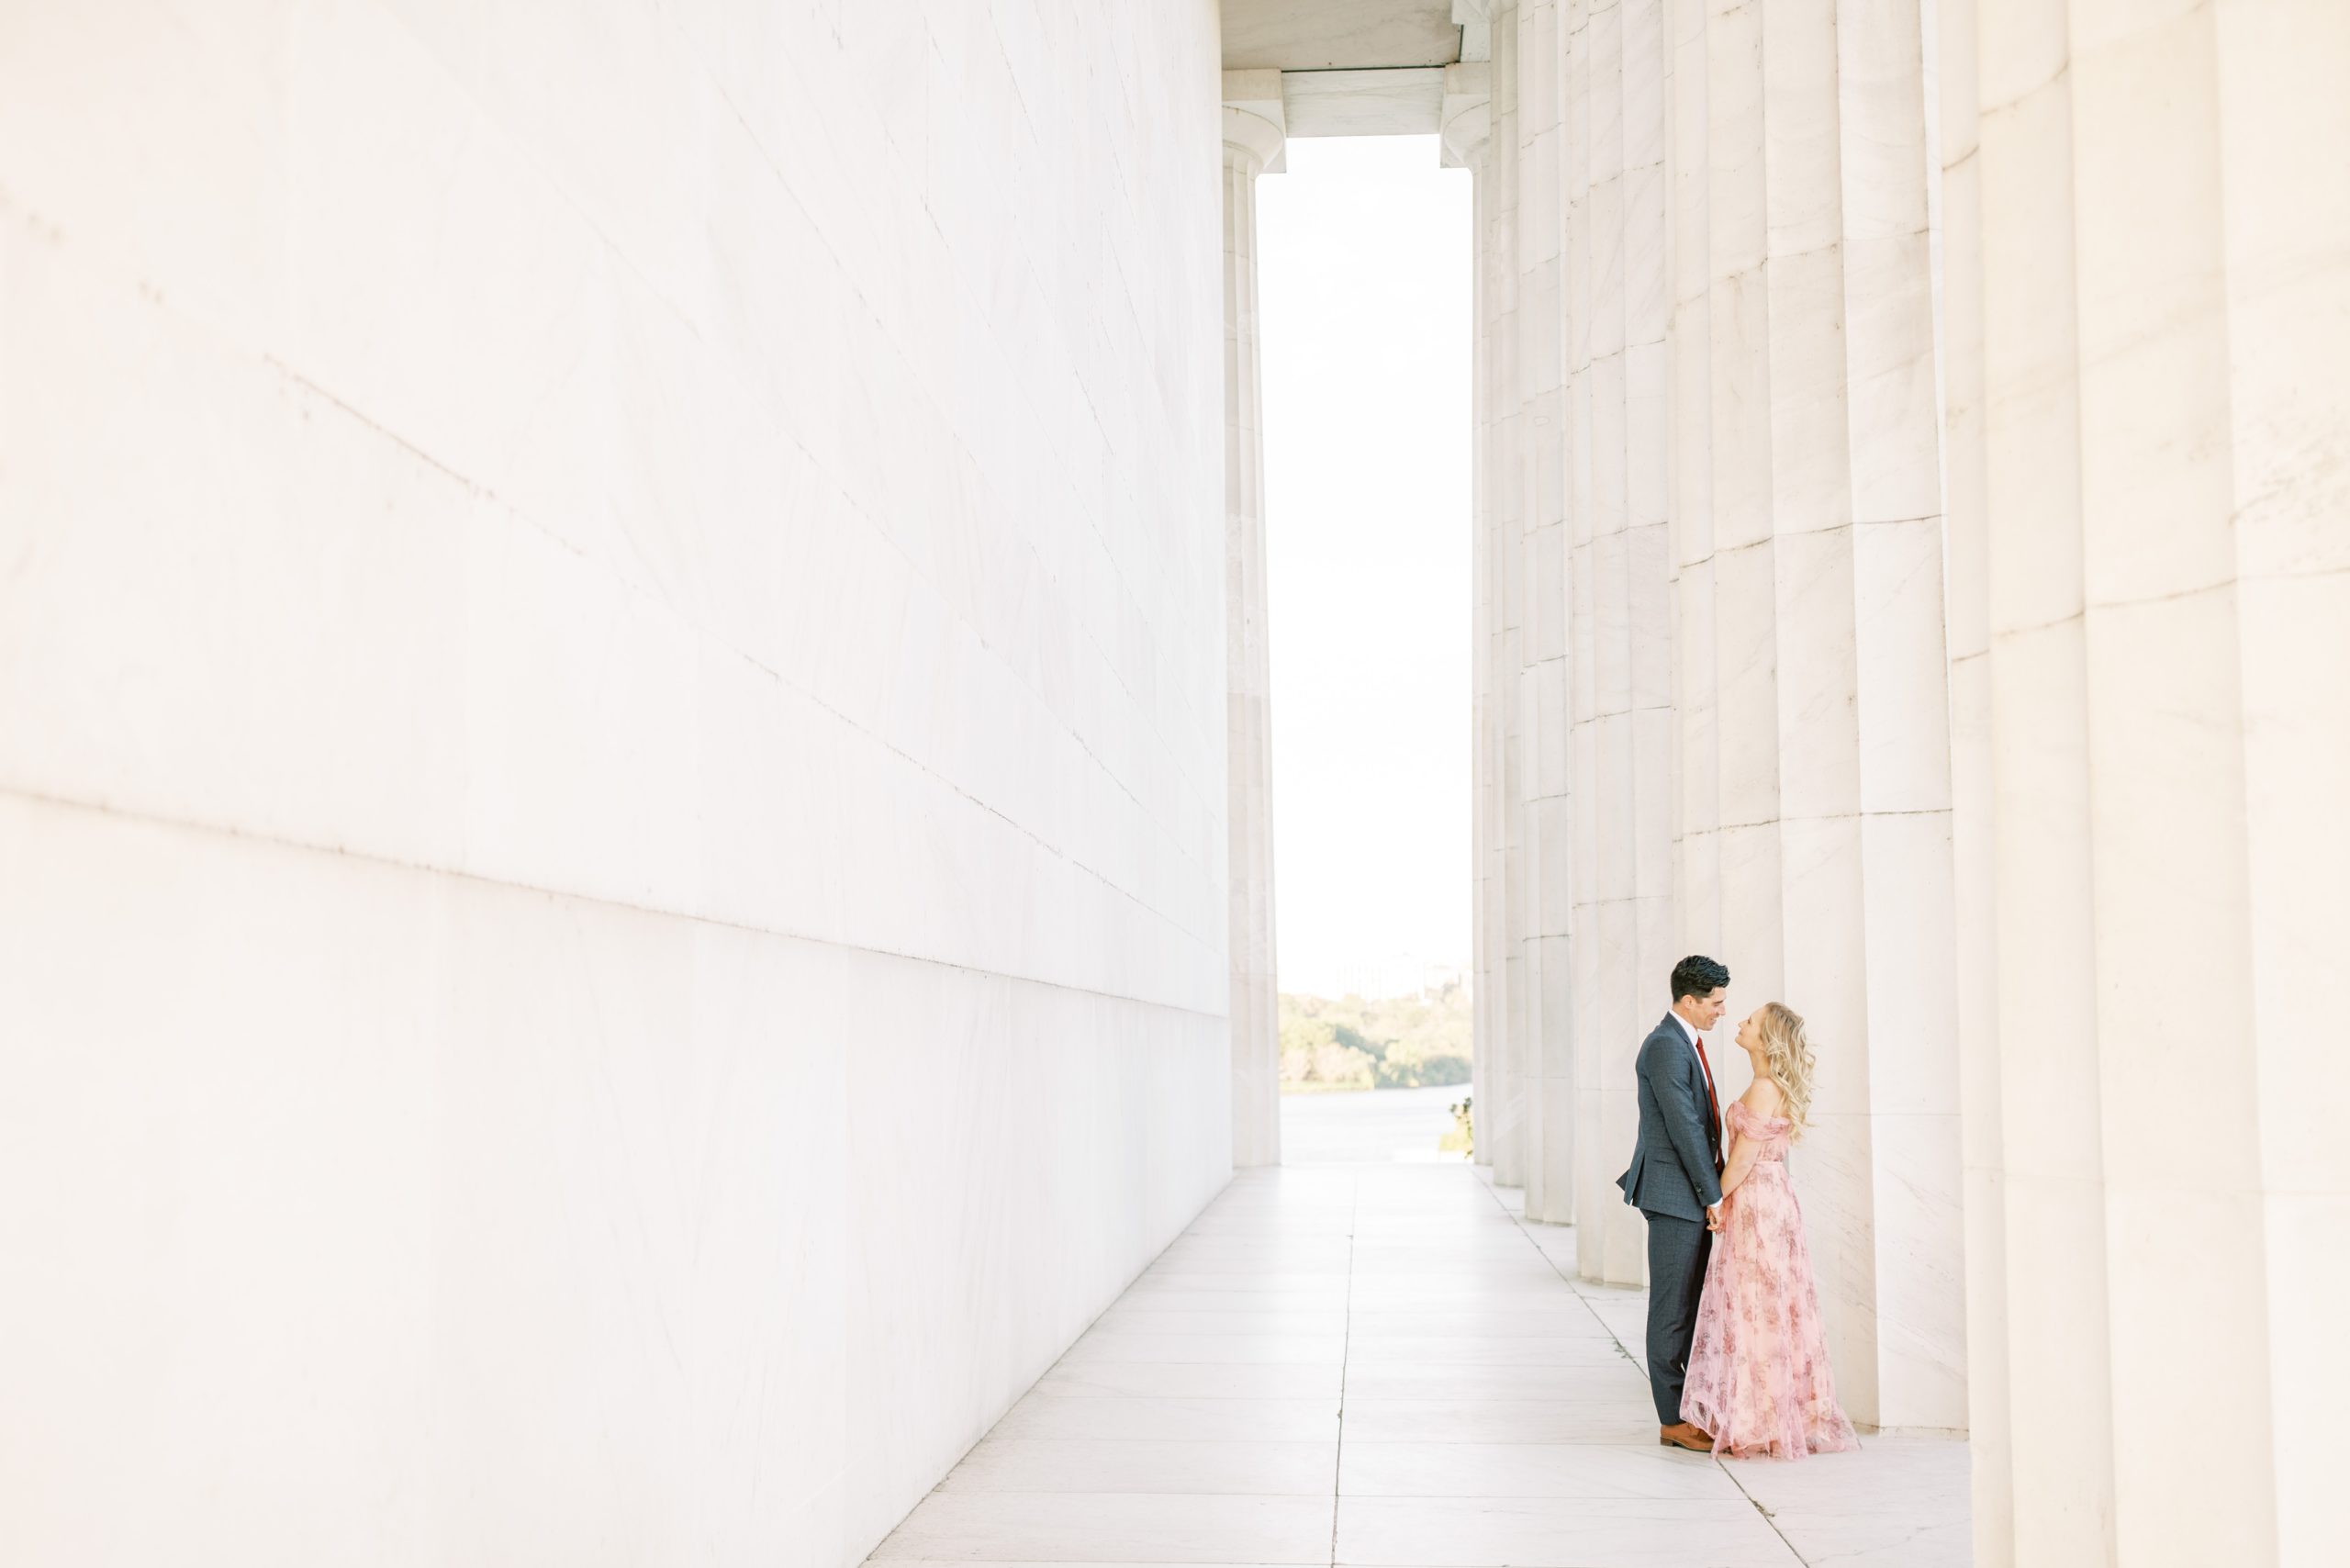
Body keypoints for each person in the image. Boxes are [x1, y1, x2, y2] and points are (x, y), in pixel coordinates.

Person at [1680, 1002, 1859, 1460]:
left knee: (1755, 1304)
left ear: (1767, 1039)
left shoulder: (1763, 1088)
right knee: (1762, 1303)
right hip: (1766, 1198)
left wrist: (1714, 1199)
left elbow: (1742, 1160)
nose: (1740, 1022)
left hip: (1758, 1201)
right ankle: (1766, 1412)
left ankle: (1758, 1415)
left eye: (1751, 1022)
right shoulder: (1764, 1085)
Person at [1617, 955, 1730, 1453]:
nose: (1722, 1011)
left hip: (1686, 1194)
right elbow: (1685, 1129)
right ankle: (1672, 1420)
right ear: (1690, 1000)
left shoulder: (1683, 1042)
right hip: (1675, 1197)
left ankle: (1690, 1408)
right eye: (1716, 1002)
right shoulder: (1666, 1045)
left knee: (1689, 1306)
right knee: (1670, 1310)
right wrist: (1714, 1194)